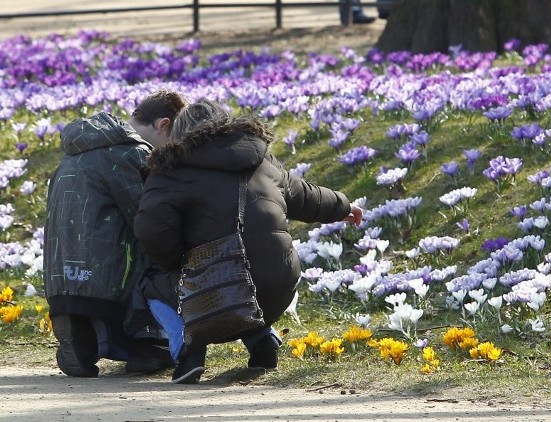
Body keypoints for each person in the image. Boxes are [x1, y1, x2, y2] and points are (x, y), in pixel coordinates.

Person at [134, 100, 363, 384]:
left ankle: (188, 351)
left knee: (151, 286)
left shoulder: (169, 170)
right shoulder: (261, 159)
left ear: (179, 132)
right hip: (278, 284)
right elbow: (305, 196)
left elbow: (152, 233)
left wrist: (174, 264)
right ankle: (262, 343)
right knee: (245, 277)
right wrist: (343, 206)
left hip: (218, 289)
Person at [43, 90, 188, 378]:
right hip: (107, 276)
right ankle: (148, 343)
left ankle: (81, 340)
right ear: (163, 125)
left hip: (61, 279)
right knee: (157, 244)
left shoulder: (72, 155)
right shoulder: (132, 153)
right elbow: (147, 219)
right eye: (176, 136)